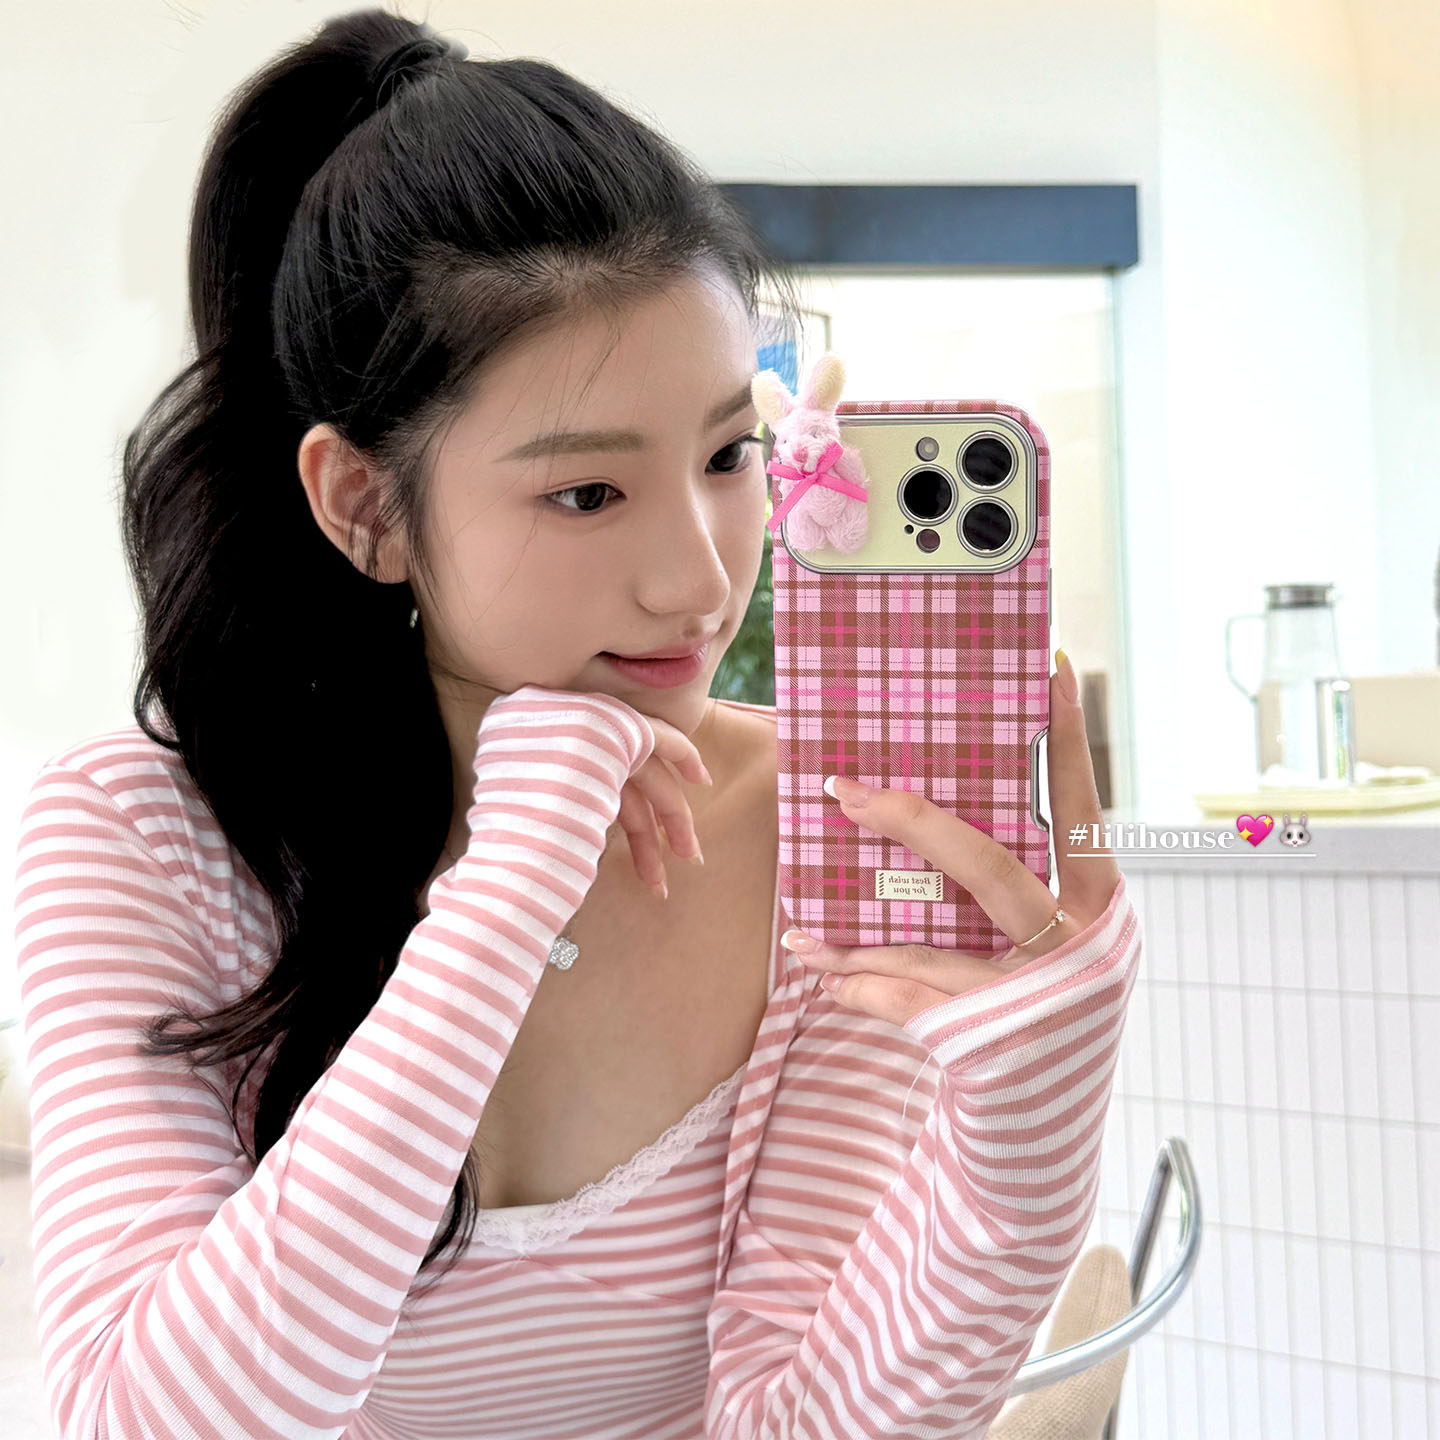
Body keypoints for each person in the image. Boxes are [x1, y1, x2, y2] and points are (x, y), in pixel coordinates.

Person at [12, 10, 1144, 1439]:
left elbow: (810, 1425)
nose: (701, 580)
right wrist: (509, 886)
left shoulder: (817, 831)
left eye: (730, 454)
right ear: (365, 506)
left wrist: (1026, 1155)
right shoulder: (138, 842)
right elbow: (136, 1419)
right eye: (588, 493)